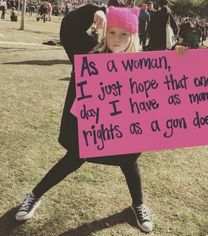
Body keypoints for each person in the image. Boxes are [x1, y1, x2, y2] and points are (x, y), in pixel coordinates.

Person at [15, 4, 153, 233]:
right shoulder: (89, 53)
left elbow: (170, 77)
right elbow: (68, 27)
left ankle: (138, 204)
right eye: (112, 32)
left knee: (129, 162)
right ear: (105, 32)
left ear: (132, 36)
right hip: (88, 127)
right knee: (74, 158)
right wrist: (94, 11)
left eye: (124, 34)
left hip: (121, 129)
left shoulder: (140, 63)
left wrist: (182, 52)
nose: (117, 39)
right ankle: (34, 196)